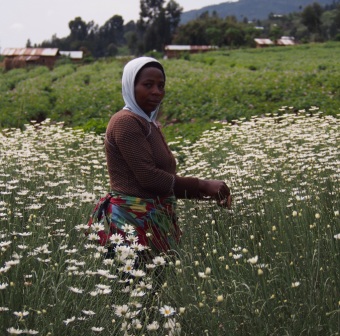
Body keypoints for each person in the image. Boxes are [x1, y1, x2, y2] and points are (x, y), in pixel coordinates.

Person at [88, 56, 231, 257]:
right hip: (131, 223)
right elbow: (149, 178)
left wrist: (207, 193)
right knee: (137, 284)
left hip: (150, 220)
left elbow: (162, 180)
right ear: (131, 86)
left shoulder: (147, 122)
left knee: (153, 284)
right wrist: (202, 185)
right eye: (148, 85)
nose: (156, 91)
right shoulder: (125, 122)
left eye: (161, 85)